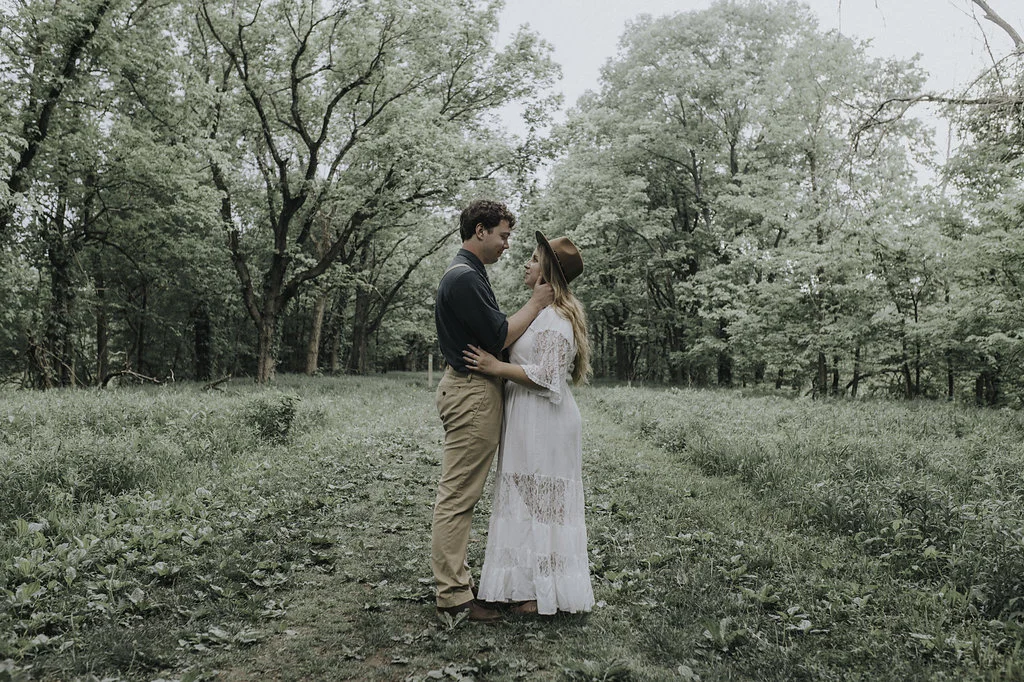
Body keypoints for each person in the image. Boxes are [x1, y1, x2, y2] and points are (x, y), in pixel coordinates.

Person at [432, 200, 554, 623]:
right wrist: (537, 303)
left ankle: (456, 587)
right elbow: (500, 334)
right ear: (479, 231)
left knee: (460, 494)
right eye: (502, 235)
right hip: (472, 392)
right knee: (458, 497)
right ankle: (453, 596)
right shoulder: (464, 278)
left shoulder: (467, 273)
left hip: (470, 389)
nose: (507, 244)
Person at [462, 231, 595, 616]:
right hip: (529, 415)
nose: (526, 263)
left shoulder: (555, 317)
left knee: (542, 504)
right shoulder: (541, 311)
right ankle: (526, 585)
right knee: (528, 500)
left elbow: (549, 376)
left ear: (547, 272)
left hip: (545, 418)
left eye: (534, 259)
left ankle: (544, 592)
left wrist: (494, 366)